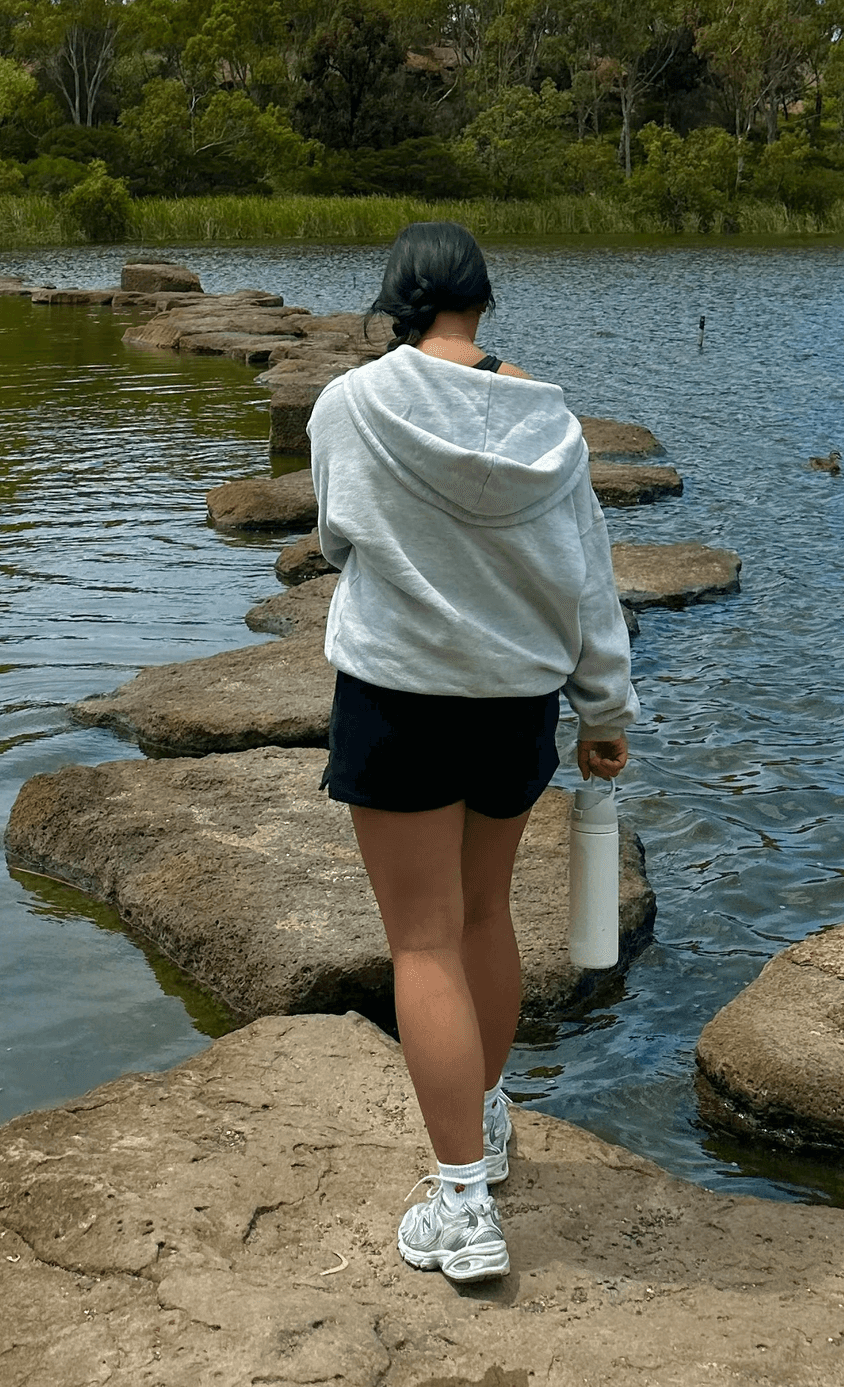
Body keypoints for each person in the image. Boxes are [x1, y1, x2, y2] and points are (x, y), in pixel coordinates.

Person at [309, 222, 635, 1284]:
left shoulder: (352, 403)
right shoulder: (550, 421)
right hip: (514, 705)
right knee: (486, 915)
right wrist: (604, 711)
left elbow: (335, 538)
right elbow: (586, 578)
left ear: (395, 301)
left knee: (421, 943)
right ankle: (483, 1125)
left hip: (398, 698)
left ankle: (461, 1207)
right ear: (482, 304)